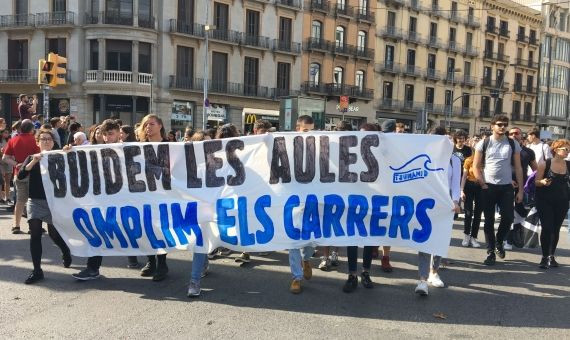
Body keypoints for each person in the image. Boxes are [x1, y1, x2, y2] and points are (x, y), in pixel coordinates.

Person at [20, 129, 72, 284]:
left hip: (53, 202)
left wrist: (69, 152)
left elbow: (74, 168)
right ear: (37, 142)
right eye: (43, 139)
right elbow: (21, 175)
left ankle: (65, 251)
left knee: (54, 234)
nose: (46, 141)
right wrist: (34, 161)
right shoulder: (32, 158)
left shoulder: (59, 156)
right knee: (35, 234)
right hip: (35, 201)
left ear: (53, 142)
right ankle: (37, 270)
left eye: (49, 139)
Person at [415, 126, 461, 296]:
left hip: (445, 205)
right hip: (425, 203)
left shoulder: (454, 160)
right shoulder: (422, 156)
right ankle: (422, 280)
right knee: (425, 240)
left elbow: (455, 184)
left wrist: (455, 201)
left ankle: (434, 272)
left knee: (439, 241)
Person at [473, 115, 524, 266]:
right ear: (492, 126)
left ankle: (499, 242)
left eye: (505, 125)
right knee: (488, 221)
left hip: (507, 187)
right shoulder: (484, 142)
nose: (502, 127)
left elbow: (519, 167)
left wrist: (521, 190)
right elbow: (475, 166)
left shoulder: (512, 143)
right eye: (500, 124)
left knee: (508, 217)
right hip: (488, 187)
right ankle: (490, 252)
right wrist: (482, 183)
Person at [136, 114, 170, 281]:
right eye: (145, 125)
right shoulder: (138, 147)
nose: (148, 127)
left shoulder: (170, 146)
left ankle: (162, 263)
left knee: (160, 229)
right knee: (146, 229)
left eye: (151, 124)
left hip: (163, 195)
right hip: (144, 195)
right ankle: (150, 261)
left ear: (160, 126)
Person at [235, 119, 272, 264]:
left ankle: (264, 244)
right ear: (256, 131)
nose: (266, 135)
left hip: (266, 187)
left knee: (264, 216)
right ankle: (246, 250)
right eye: (263, 132)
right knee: (248, 217)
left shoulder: (272, 145)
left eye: (268, 132)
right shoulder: (246, 145)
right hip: (249, 186)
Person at [289, 115, 316, 294]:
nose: (309, 134)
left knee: (311, 237)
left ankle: (306, 259)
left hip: (314, 198)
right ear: (297, 129)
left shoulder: (321, 146)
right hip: (293, 199)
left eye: (312, 130)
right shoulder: (288, 147)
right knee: (292, 239)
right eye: (306, 130)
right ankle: (296, 277)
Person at [535, 139, 570, 269]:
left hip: (562, 201)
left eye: (568, 149)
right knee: (547, 227)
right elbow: (536, 182)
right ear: (556, 149)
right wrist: (542, 182)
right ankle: (544, 257)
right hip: (545, 201)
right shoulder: (545, 164)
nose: (567, 151)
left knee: (555, 229)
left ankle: (551, 256)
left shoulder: (569, 165)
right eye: (565, 149)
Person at [2, 119, 40, 234]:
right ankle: (32, 226)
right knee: (32, 201)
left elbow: (5, 158)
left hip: (18, 173)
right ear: (32, 129)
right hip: (33, 173)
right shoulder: (34, 140)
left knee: (20, 201)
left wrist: (17, 164)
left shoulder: (13, 140)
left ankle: (16, 225)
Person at [505, 127, 537, 250]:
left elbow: (536, 170)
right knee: (507, 214)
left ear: (521, 136)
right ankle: (506, 239)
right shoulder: (504, 150)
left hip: (522, 188)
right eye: (511, 133)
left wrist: (531, 182)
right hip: (505, 185)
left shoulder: (528, 152)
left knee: (519, 215)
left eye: (516, 133)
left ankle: (515, 238)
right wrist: (508, 179)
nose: (513, 135)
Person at [460, 152, 482, 248]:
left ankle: (474, 237)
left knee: (478, 213)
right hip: (469, 185)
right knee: (468, 213)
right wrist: (461, 190)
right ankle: (466, 236)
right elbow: (464, 176)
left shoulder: (486, 161)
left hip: (482, 186)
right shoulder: (469, 160)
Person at [0, 129, 12, 204]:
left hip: (9, 161)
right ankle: (0, 197)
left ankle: (7, 197)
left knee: (7, 181)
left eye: (8, 132)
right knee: (1, 181)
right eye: (5, 132)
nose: (7, 134)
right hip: (1, 162)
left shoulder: (10, 141)